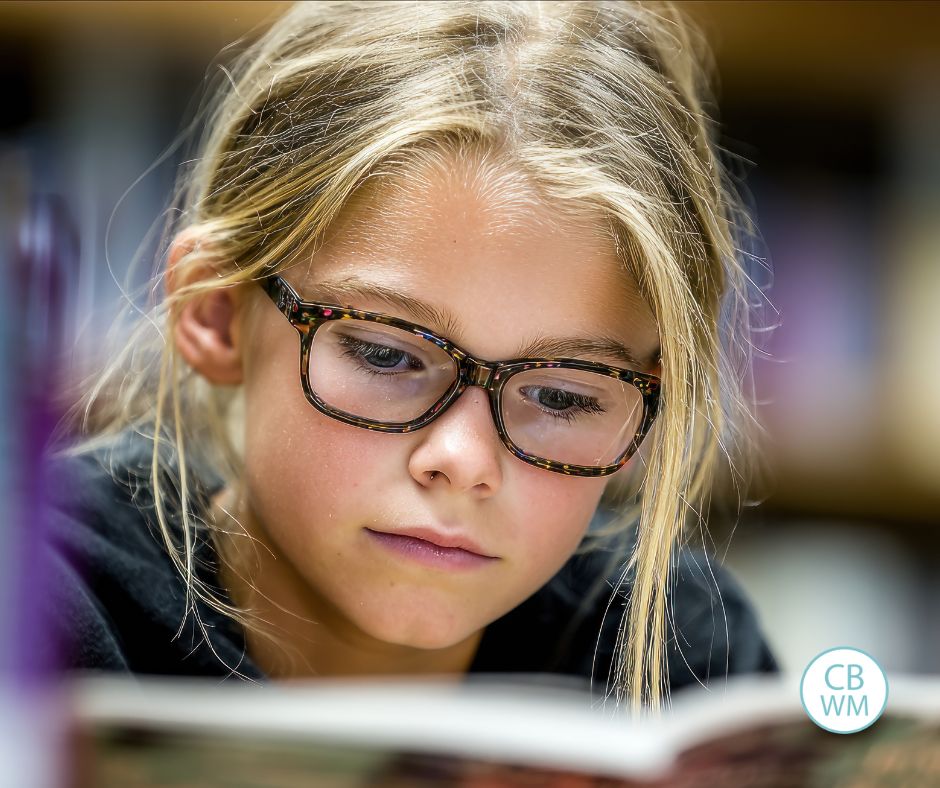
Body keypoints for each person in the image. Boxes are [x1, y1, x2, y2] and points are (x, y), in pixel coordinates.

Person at [46, 0, 777, 712]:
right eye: (386, 355)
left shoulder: (690, 664)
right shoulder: (43, 602)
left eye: (564, 396)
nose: (462, 460)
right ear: (214, 311)